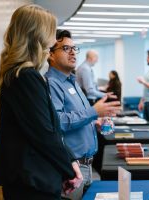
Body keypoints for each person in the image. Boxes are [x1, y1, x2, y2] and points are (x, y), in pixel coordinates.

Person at [0, 4, 82, 200]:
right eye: (51, 33)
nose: (53, 40)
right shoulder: (24, 77)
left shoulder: (24, 75)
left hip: (34, 178)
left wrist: (69, 162)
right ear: (37, 35)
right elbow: (44, 133)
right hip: (30, 182)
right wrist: (69, 168)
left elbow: (49, 129)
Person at [46, 29, 121, 200]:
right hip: (71, 168)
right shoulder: (52, 84)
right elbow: (56, 121)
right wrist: (93, 112)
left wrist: (95, 121)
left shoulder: (72, 81)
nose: (73, 52)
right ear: (50, 54)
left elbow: (78, 116)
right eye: (65, 48)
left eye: (74, 48)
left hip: (87, 165)